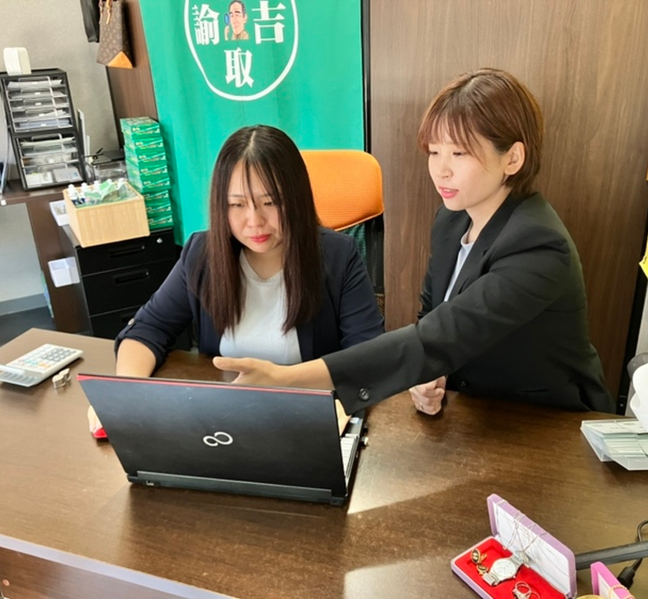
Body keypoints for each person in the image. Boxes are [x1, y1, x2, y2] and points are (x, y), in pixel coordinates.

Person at [214, 68, 614, 416]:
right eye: (434, 151)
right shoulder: (452, 220)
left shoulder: (538, 246)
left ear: (512, 158)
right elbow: (433, 319)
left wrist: (289, 378)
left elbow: (435, 338)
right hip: (472, 412)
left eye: (459, 153)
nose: (441, 169)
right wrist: (430, 376)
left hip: (547, 423)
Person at [88, 125, 384, 432]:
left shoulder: (338, 256)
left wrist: (286, 380)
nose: (254, 221)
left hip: (309, 416)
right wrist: (125, 394)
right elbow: (148, 328)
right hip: (225, 420)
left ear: (296, 199)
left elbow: (370, 357)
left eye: (270, 202)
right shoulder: (202, 254)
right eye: (237, 204)